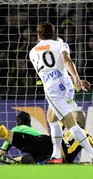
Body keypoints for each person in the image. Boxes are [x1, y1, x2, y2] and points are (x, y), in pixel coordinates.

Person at [29, 21, 93, 164]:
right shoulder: (61, 44)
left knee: (70, 123)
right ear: (54, 33)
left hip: (53, 89)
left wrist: (76, 78)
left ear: (38, 35)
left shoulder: (32, 52)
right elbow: (66, 61)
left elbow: (49, 70)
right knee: (51, 117)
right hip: (67, 84)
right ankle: (56, 155)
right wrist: (77, 78)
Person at [0, 110, 93, 164]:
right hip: (59, 158)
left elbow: (53, 121)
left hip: (46, 144)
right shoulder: (86, 136)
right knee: (33, 160)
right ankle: (15, 162)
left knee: (8, 135)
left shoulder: (63, 123)